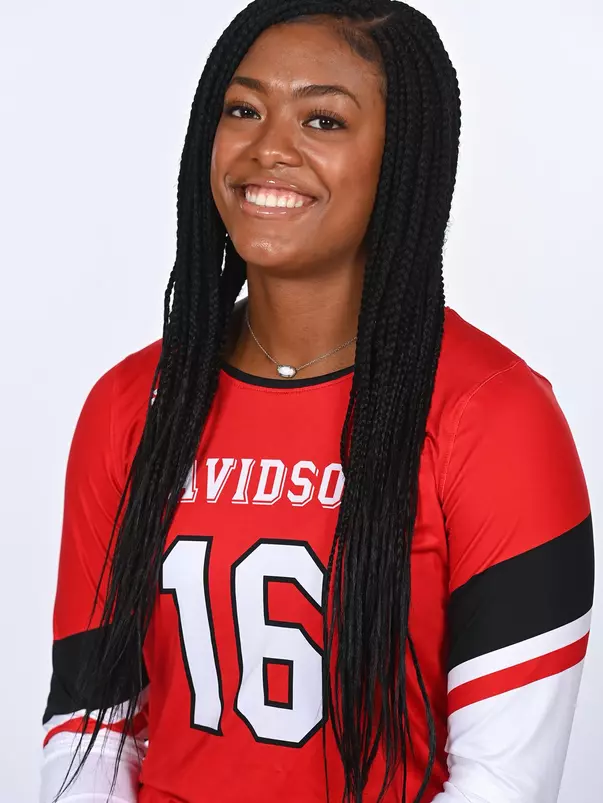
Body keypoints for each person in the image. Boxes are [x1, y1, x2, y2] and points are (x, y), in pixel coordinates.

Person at [40, 1, 595, 802]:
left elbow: (504, 781)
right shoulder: (132, 404)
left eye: (323, 121)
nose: (268, 149)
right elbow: (86, 735)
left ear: (400, 156)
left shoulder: (496, 417)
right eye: (242, 109)